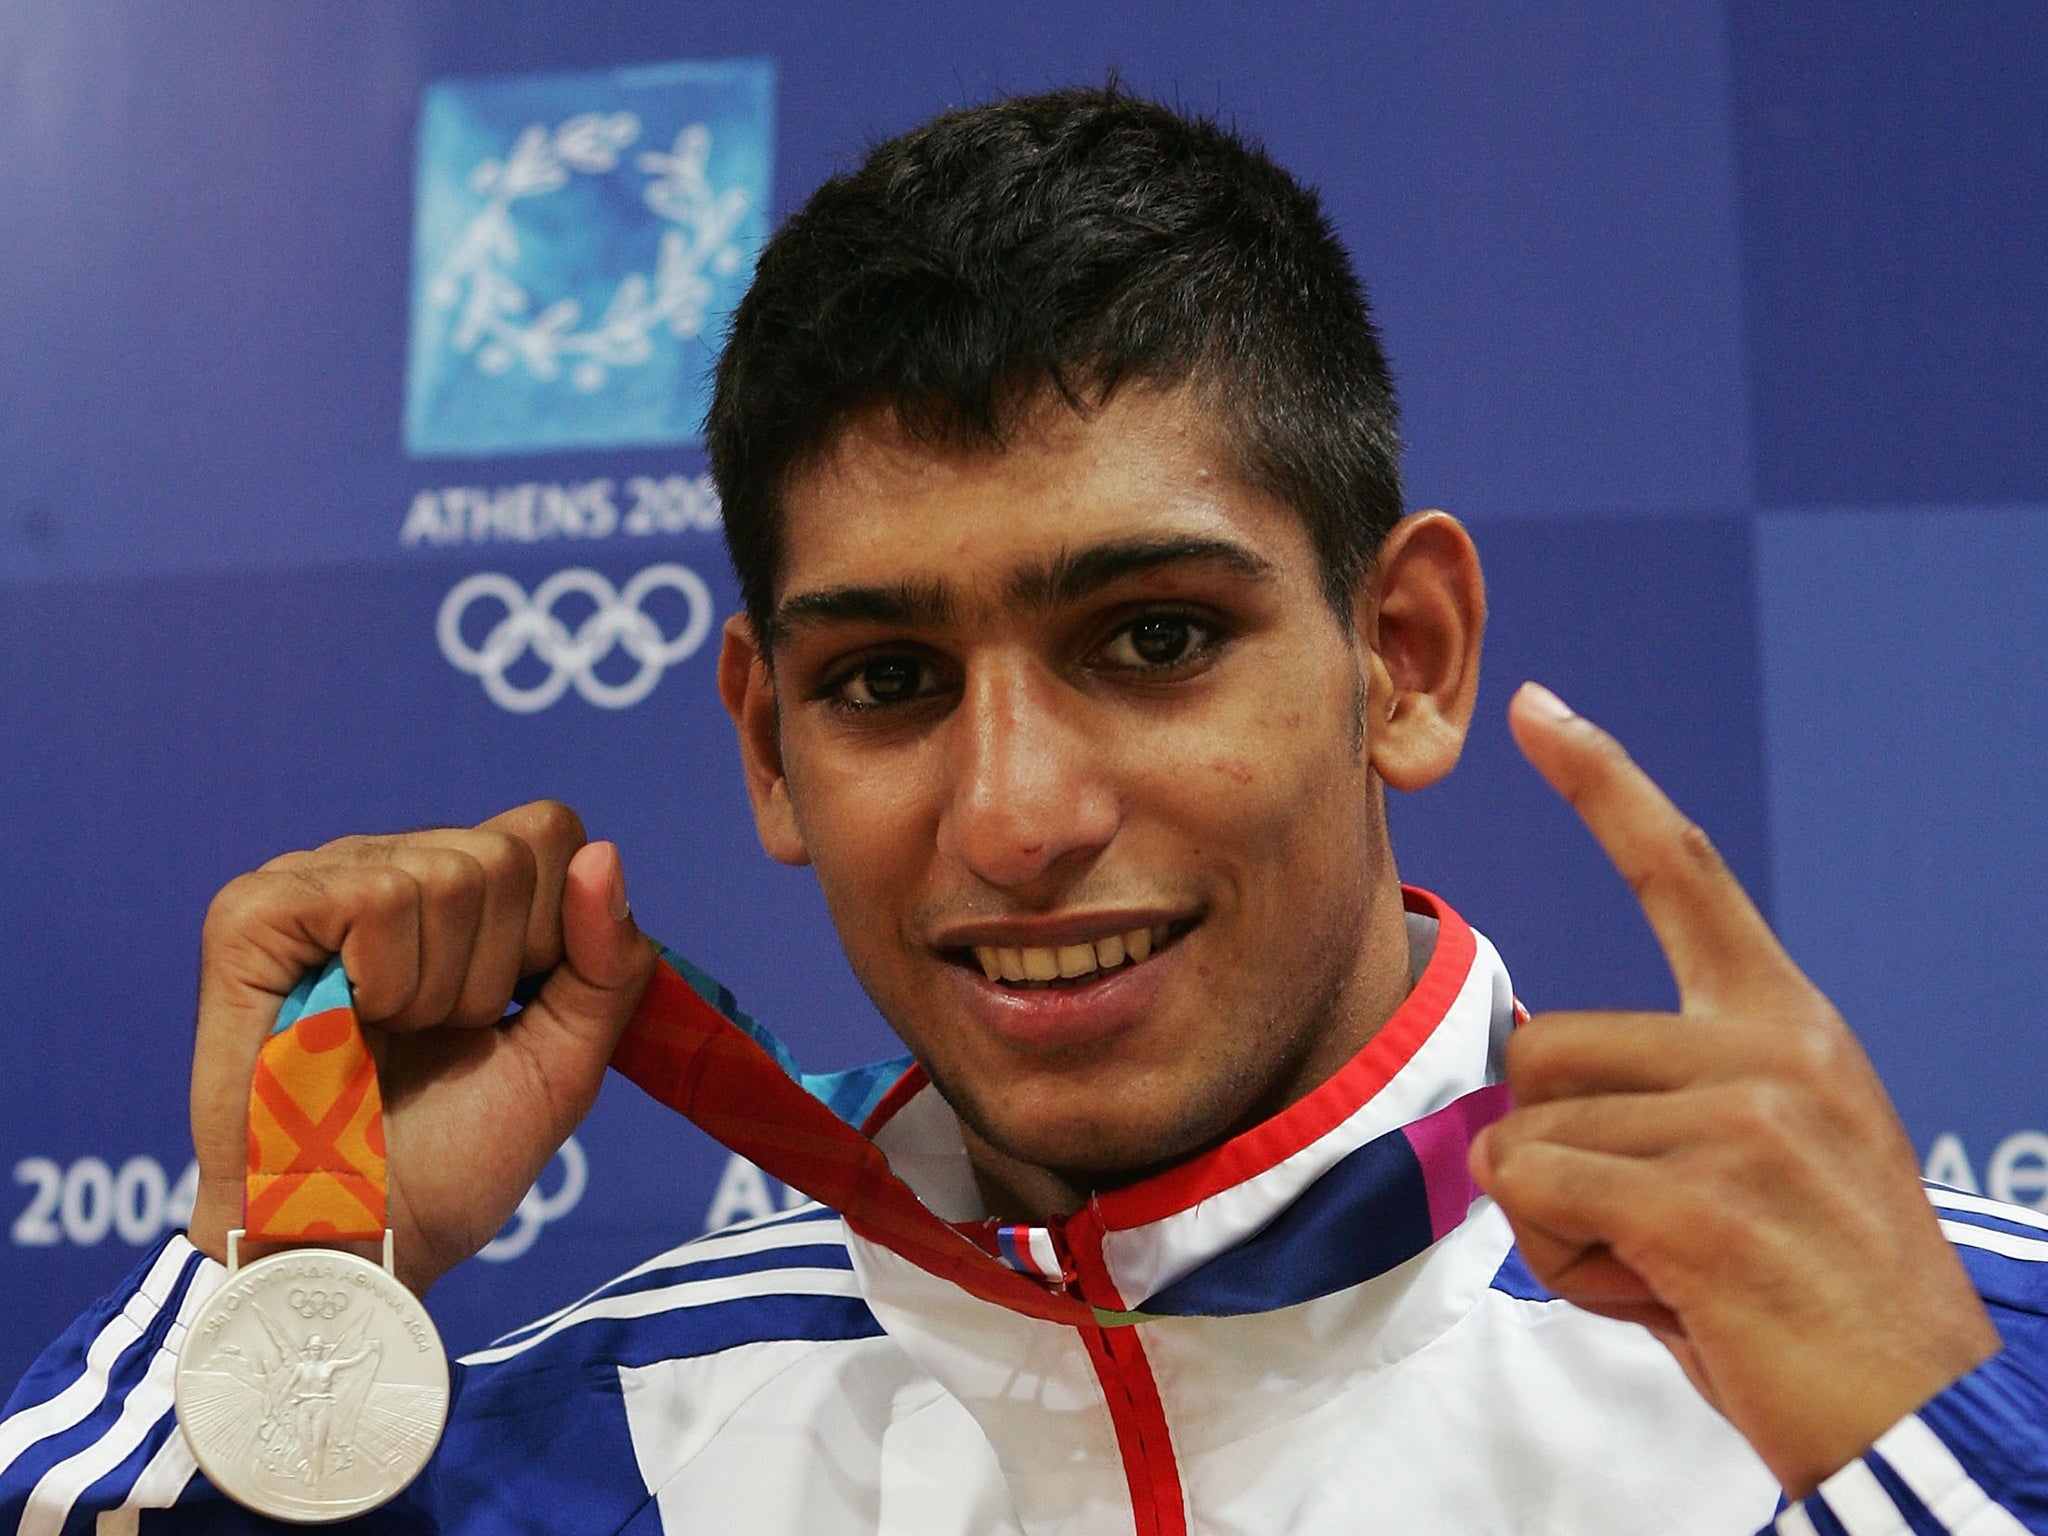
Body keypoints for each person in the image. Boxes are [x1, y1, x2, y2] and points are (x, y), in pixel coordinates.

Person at [4, 86, 2045, 1536]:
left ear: (1401, 655)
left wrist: (1936, 1461)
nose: (1011, 814)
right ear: (765, 745)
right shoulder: (574, 1449)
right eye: (885, 682)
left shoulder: (1947, 1354)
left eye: (1150, 640)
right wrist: (278, 1280)